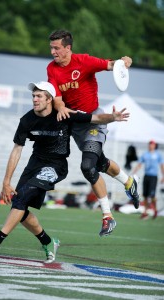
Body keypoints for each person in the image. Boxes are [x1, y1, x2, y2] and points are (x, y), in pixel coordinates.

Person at [0, 81, 130, 263]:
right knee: (19, 205)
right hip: (35, 163)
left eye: (39, 96)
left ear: (49, 99)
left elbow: (94, 119)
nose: (35, 99)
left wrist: (113, 117)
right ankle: (48, 242)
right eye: (33, 96)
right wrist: (6, 182)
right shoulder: (26, 120)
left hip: (56, 165)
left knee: (23, 197)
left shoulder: (63, 115)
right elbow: (17, 149)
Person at [47, 29, 140, 236]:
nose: (52, 52)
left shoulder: (85, 61)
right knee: (99, 163)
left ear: (68, 48)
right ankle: (129, 181)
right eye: (51, 48)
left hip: (94, 120)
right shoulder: (52, 68)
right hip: (75, 124)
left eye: (56, 48)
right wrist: (60, 107)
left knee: (88, 166)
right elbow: (57, 95)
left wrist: (124, 61)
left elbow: (111, 65)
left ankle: (108, 217)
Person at [132, 140, 164, 219]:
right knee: (145, 195)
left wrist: (163, 176)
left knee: (152, 195)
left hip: (153, 177)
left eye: (152, 145)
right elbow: (139, 164)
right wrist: (133, 173)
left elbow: (161, 165)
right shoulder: (145, 154)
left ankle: (155, 210)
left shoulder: (158, 155)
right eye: (150, 144)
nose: (151, 146)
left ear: (154, 146)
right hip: (146, 176)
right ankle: (145, 212)